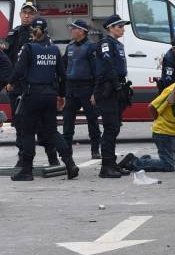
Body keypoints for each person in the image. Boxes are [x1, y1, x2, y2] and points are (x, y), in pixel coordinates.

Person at [7, 17, 79, 181]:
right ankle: (70, 163)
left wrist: (10, 83)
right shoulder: (54, 50)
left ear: (32, 31)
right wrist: (61, 95)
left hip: (32, 95)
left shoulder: (29, 48)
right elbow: (62, 75)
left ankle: (26, 171)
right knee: (51, 131)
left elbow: (19, 69)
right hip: (50, 95)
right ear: (46, 30)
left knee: (28, 132)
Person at [4, 2, 59, 167]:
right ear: (20, 14)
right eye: (24, 13)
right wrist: (9, 80)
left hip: (35, 87)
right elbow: (5, 56)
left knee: (44, 124)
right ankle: (23, 159)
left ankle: (52, 157)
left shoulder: (41, 35)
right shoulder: (14, 33)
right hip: (17, 86)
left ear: (35, 15)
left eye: (30, 13)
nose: (27, 16)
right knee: (20, 124)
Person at [117, 83, 175, 173]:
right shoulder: (172, 91)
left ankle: (146, 160)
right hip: (164, 132)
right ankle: (134, 162)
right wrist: (159, 121)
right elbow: (151, 107)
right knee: (169, 166)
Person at [94, 14, 132, 178]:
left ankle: (111, 163)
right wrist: (115, 85)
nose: (123, 29)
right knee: (110, 128)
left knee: (115, 127)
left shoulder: (117, 44)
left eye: (123, 26)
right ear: (110, 28)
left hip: (117, 86)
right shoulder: (105, 44)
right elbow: (108, 64)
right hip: (108, 88)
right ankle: (106, 166)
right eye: (119, 26)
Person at [62, 20, 101, 159]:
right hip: (71, 88)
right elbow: (63, 66)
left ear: (82, 31)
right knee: (67, 121)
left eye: (74, 28)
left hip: (86, 88)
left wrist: (95, 92)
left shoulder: (91, 47)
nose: (71, 30)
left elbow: (97, 71)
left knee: (92, 120)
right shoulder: (70, 46)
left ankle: (95, 150)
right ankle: (67, 152)